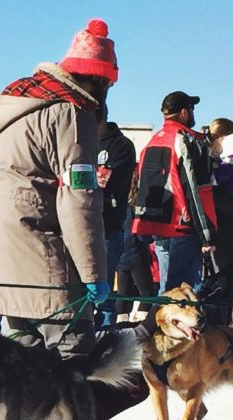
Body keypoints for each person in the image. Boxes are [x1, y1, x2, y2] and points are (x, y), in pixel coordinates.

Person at [0, 18, 130, 420]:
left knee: (19, 357)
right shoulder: (71, 112)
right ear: (100, 79)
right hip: (41, 248)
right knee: (68, 359)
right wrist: (93, 273)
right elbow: (78, 196)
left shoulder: (15, 104)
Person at [131, 91, 217, 291]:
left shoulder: (153, 141)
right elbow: (194, 190)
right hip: (181, 225)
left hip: (156, 225)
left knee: (167, 288)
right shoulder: (184, 140)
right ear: (184, 112)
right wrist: (207, 233)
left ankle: (159, 321)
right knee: (184, 289)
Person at [96, 105, 137, 326]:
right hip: (78, 226)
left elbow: (103, 182)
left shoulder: (121, 146)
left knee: (103, 293)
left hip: (107, 226)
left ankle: (104, 338)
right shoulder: (78, 143)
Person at [212, 129, 233, 331]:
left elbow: (217, 202)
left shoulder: (221, 174)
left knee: (227, 282)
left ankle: (230, 325)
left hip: (225, 237)